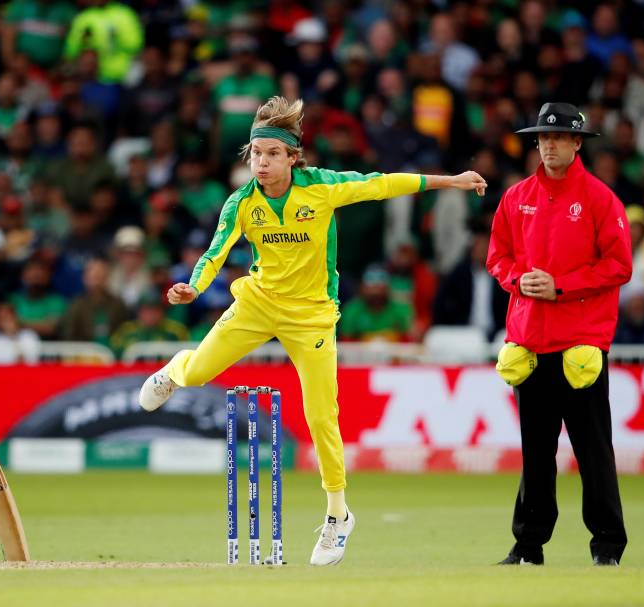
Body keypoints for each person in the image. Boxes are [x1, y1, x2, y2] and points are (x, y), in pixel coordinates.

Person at [137, 96, 487, 566]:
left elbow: (383, 185)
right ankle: (173, 372)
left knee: (322, 417)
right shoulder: (241, 201)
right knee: (197, 371)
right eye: (255, 153)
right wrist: (193, 288)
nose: (261, 162)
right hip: (258, 304)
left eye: (272, 154)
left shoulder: (321, 187)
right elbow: (215, 252)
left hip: (312, 317)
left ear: (292, 157)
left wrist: (453, 181)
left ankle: (338, 517)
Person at [487, 102, 632, 566]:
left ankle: (608, 546)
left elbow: (619, 265)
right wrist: (517, 280)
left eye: (558, 138)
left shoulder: (599, 199)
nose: (548, 146)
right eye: (542, 138)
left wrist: (562, 286)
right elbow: (498, 257)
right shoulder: (515, 198)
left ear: (576, 143)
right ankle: (528, 546)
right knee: (535, 452)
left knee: (593, 451)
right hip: (530, 343)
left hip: (580, 345)